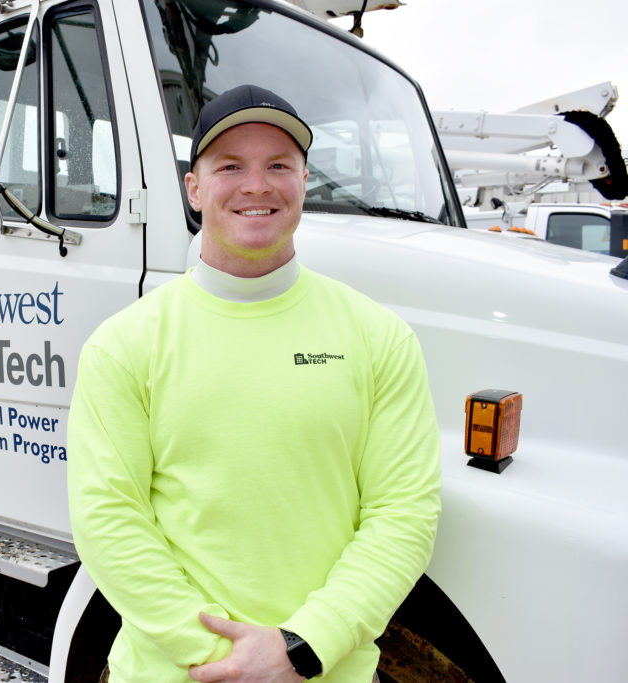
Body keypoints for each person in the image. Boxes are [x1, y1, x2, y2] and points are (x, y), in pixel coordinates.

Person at [67, 84, 441, 682]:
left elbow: (404, 514)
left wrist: (303, 647)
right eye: (230, 166)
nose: (256, 185)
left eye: (278, 166)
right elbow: (108, 517)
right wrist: (229, 662)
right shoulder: (125, 344)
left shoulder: (378, 336)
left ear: (303, 182)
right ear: (194, 188)